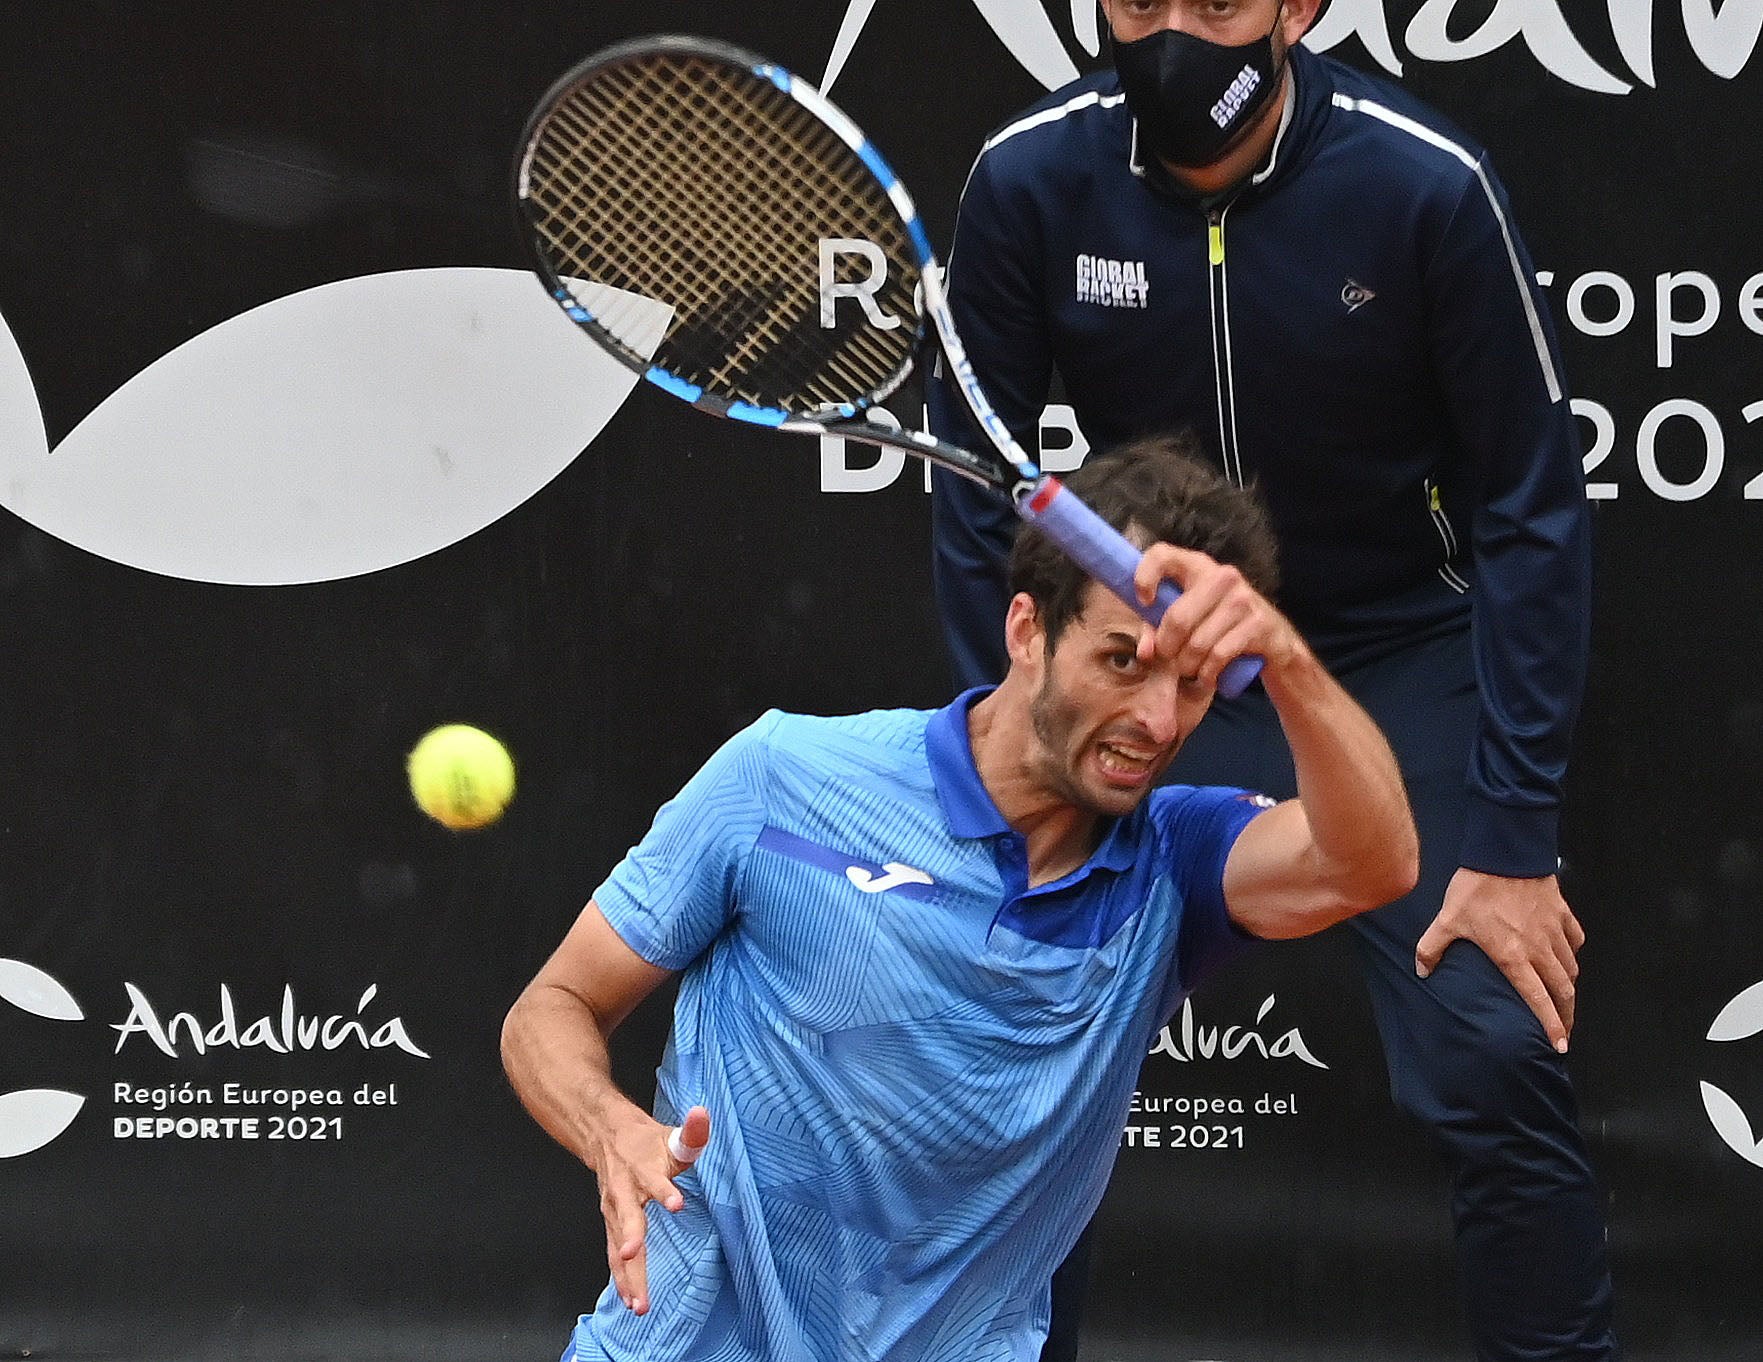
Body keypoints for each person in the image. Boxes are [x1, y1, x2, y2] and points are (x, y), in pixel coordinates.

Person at [927, 2, 1613, 1360]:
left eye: (1219, 2)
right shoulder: (1029, 179)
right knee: (1014, 1061)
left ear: (1299, 8)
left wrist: (1511, 835)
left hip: (1384, 659)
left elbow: (1530, 510)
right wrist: (1003, 755)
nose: (1176, 32)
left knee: (1490, 1039)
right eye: (1139, 3)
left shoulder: (1421, 182)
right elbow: (975, 500)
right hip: (1151, 659)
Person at [501, 438, 1417, 1362]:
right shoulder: (780, 774)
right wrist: (608, 1125)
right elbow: (553, 1006)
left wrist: (1287, 660)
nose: (1159, 719)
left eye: (1192, 682)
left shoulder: (1174, 864)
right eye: (1120, 661)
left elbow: (1372, 863)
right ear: (1026, 631)